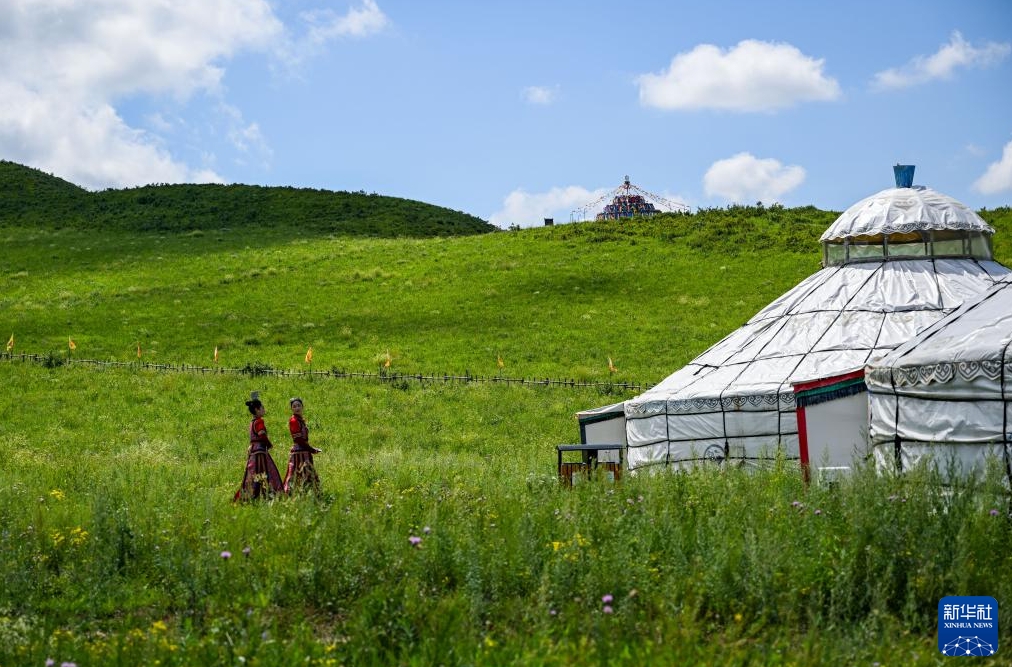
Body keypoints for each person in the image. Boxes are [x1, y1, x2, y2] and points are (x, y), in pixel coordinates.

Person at [234, 391, 284, 501]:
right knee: (265, 472)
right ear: (257, 410)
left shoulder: (252, 422)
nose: (264, 409)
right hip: (260, 451)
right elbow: (262, 435)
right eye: (262, 408)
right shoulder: (259, 421)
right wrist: (269, 444)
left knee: (252, 473)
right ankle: (268, 494)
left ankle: (250, 495)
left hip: (254, 450)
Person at [283, 396, 322, 495]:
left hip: (304, 451)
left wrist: (310, 449)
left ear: (302, 406)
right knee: (296, 473)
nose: (297, 408)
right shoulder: (294, 421)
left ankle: (310, 493)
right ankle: (290, 493)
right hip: (298, 453)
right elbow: (298, 439)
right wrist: (311, 449)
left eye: (298, 405)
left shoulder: (300, 420)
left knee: (307, 473)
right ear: (291, 409)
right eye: (294, 406)